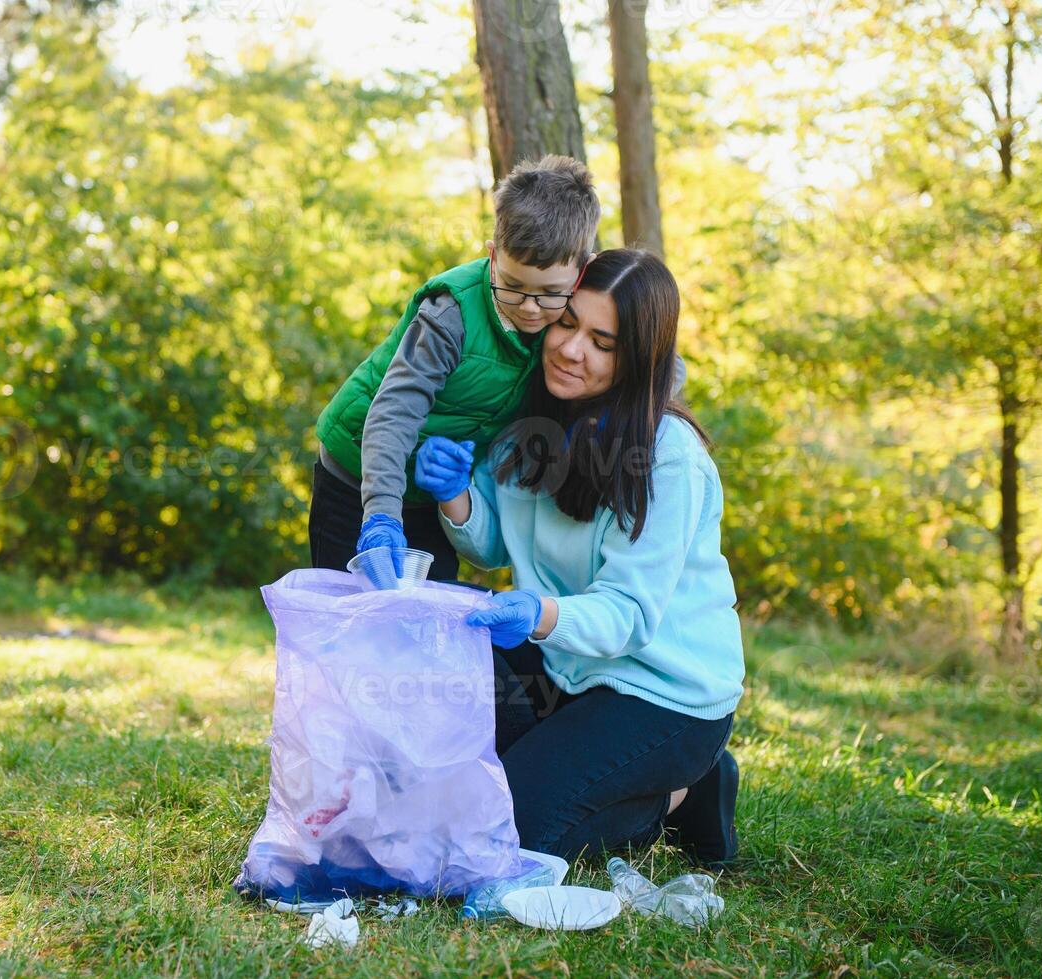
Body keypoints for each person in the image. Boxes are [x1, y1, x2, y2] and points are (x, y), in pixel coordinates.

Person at [413, 248, 745, 868]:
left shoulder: (666, 456)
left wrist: (537, 614)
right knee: (454, 770)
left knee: (508, 832)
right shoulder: (530, 420)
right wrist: (455, 494)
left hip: (659, 688)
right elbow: (490, 546)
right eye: (568, 324)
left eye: (603, 342)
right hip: (564, 665)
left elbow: (626, 616)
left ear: (636, 359)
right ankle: (569, 756)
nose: (571, 350)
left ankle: (683, 790)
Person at [310, 155, 602, 589]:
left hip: (432, 490)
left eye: (550, 294)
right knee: (354, 619)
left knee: (424, 619)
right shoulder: (451, 313)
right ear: (492, 256)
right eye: (513, 285)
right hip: (359, 474)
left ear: (582, 271)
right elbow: (396, 409)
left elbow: (646, 352)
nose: (529, 307)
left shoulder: (578, 313)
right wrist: (382, 516)